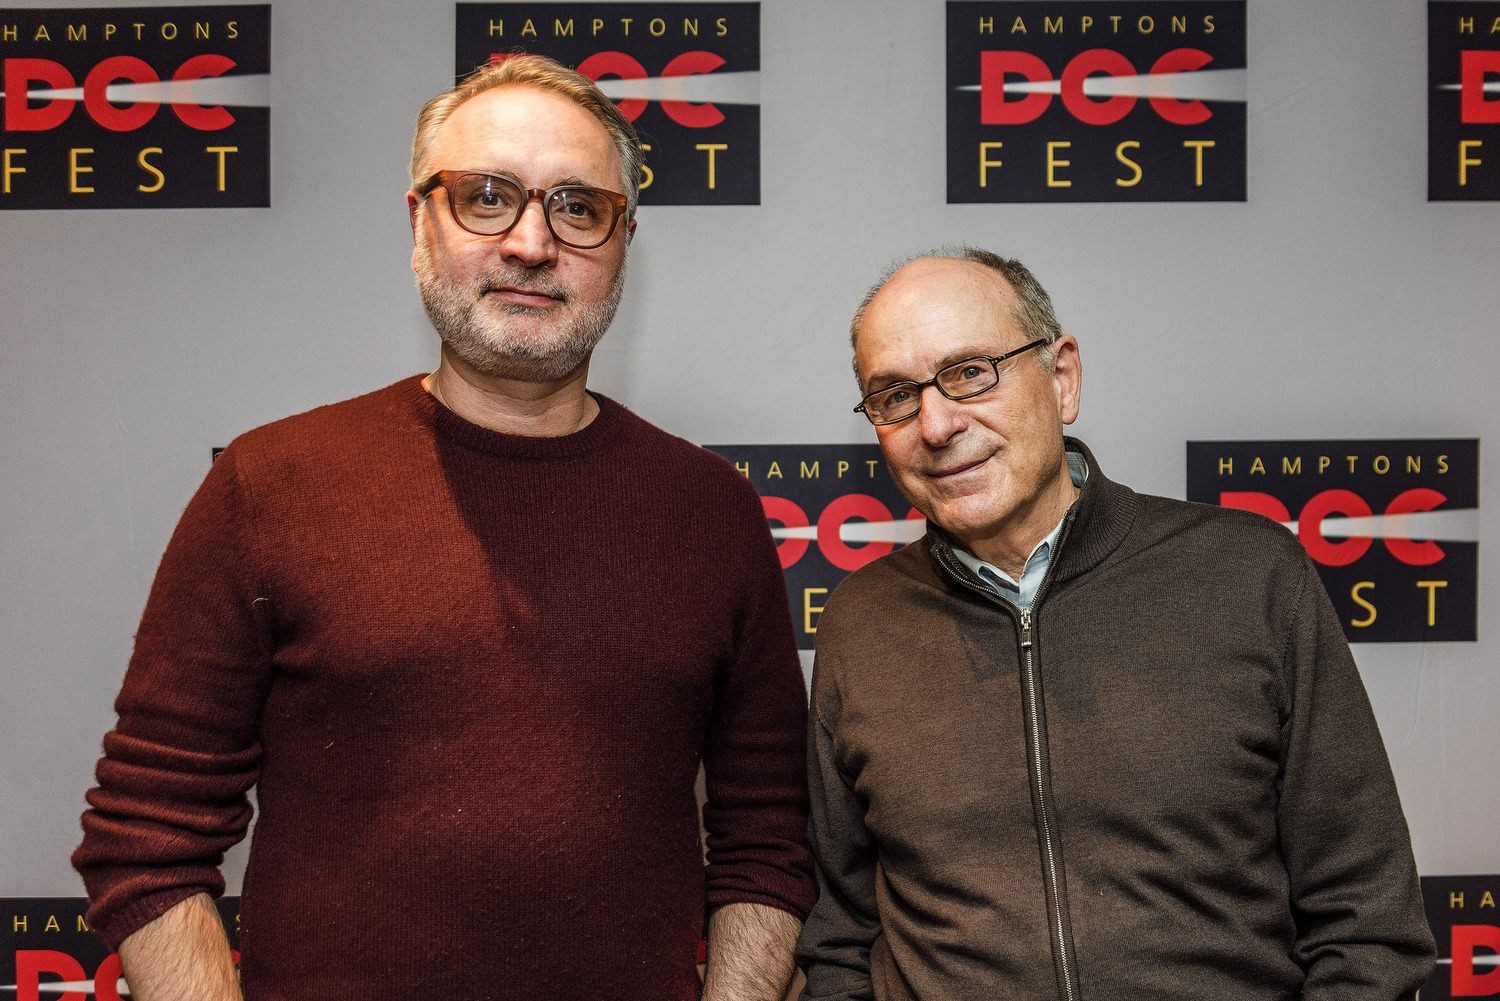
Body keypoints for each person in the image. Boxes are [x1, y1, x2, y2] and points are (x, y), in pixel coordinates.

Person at [72, 56, 815, 1001]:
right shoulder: (270, 482)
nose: (532, 243)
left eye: (578, 208)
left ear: (624, 241)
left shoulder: (712, 510)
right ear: (419, 220)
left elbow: (767, 847)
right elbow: (146, 833)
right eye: (487, 197)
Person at [794, 248, 1436, 1001]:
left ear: (1061, 377)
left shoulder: (1247, 576)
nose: (935, 424)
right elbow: (839, 939)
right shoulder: (861, 621)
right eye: (895, 395)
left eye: (970, 372)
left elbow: (1369, 926)